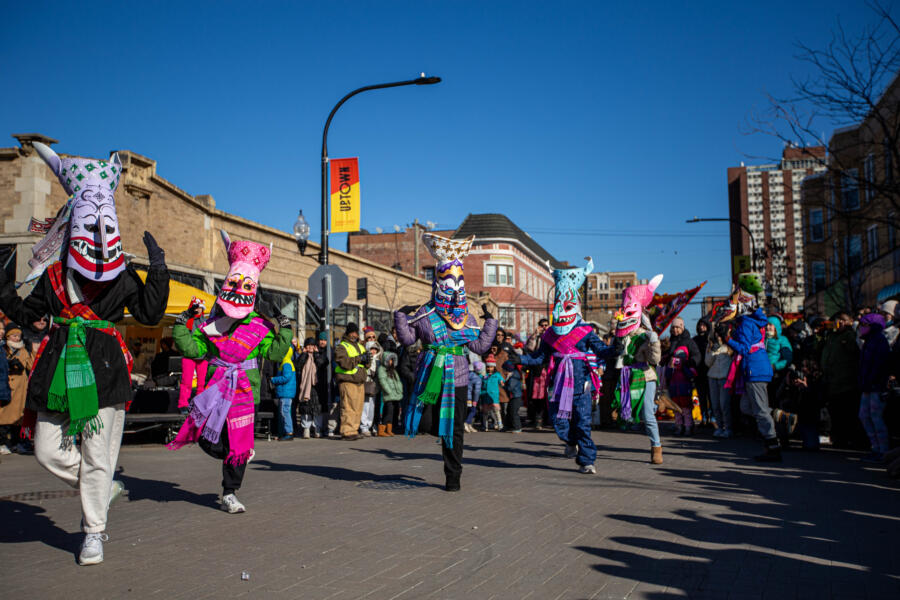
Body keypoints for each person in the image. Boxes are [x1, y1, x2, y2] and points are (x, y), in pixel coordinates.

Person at [0, 141, 170, 565]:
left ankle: (94, 531)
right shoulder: (55, 275)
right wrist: (3, 289)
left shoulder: (123, 276)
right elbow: (29, 315)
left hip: (106, 368)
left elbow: (149, 314)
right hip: (59, 367)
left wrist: (159, 268)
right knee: (47, 449)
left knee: (99, 455)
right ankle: (101, 484)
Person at [167, 231, 291, 514]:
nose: (238, 289)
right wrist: (183, 320)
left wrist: (284, 326)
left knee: (238, 443)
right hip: (215, 389)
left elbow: (272, 354)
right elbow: (192, 348)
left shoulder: (259, 325)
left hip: (246, 392)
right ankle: (237, 455)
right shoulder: (212, 322)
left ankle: (230, 491)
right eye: (234, 283)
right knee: (209, 439)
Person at [394, 232, 497, 491]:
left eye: (458, 283)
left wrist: (490, 323)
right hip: (429, 377)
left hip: (458, 380)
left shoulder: (467, 319)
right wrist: (400, 317)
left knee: (455, 431)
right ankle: (437, 432)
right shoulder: (425, 315)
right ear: (437, 283)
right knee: (428, 424)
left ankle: (453, 477)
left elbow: (480, 346)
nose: (453, 289)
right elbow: (407, 340)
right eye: (448, 283)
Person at [520, 259, 618, 474]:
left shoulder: (586, 331)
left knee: (582, 423)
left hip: (581, 387)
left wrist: (619, 341)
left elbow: (603, 351)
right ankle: (570, 441)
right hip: (557, 387)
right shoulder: (550, 334)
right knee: (559, 423)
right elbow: (538, 358)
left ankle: (587, 460)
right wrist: (519, 359)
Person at [721, 274, 780, 462]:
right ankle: (776, 418)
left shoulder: (747, 323)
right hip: (752, 369)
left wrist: (728, 340)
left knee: (760, 411)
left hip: (755, 369)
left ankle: (773, 447)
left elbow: (745, 349)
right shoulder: (750, 321)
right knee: (746, 406)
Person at [611, 274, 664, 462]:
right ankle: (655, 405)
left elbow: (655, 359)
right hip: (627, 376)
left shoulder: (644, 336)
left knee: (647, 413)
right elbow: (616, 355)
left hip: (645, 375)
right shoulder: (621, 337)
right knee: (629, 412)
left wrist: (654, 341)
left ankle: (656, 446)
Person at [820, 312, 862, 449]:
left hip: (847, 380)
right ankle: (838, 439)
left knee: (847, 412)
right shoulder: (831, 336)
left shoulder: (850, 335)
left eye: (842, 320)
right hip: (832, 380)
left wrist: (850, 330)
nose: (839, 323)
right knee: (835, 412)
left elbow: (855, 351)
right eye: (837, 321)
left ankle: (849, 439)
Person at [857, 313, 891, 462]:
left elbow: (879, 365)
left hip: (876, 386)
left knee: (876, 418)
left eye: (864, 325)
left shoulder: (879, 341)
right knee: (864, 416)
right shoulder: (868, 341)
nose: (860, 328)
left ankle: (883, 451)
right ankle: (875, 447)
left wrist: (871, 381)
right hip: (867, 386)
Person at [0, 327, 34, 454]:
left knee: (19, 418)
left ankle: (17, 442)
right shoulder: (3, 349)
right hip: (9, 386)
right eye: (13, 335)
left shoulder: (24, 350)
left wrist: (32, 351)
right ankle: (3, 442)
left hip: (21, 389)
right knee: (4, 418)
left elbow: (30, 366)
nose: (16, 338)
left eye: (18, 335)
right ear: (7, 337)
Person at [334, 323, 369, 441]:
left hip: (359, 380)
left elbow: (366, 364)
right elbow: (344, 362)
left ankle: (354, 429)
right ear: (348, 333)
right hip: (347, 380)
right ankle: (347, 431)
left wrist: (367, 361)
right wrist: (360, 359)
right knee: (348, 407)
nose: (354, 335)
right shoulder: (342, 346)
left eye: (356, 332)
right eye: (352, 332)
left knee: (358, 408)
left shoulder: (360, 346)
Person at [178, 298, 209, 413]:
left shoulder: (206, 321)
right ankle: (183, 405)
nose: (198, 310)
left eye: (200, 308)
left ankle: (198, 405)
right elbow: (181, 336)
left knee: (201, 383)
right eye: (196, 307)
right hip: (189, 355)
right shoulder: (187, 321)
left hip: (203, 356)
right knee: (186, 381)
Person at [706, 323, 734, 438]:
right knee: (715, 404)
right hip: (712, 377)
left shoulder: (730, 346)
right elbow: (707, 363)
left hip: (725, 378)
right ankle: (719, 427)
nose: (718, 335)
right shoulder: (711, 344)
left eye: (720, 332)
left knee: (724, 404)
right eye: (716, 332)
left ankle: (728, 428)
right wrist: (713, 351)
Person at [296, 337, 324, 438]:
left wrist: (316, 354)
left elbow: (322, 364)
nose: (310, 347)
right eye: (308, 345)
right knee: (306, 409)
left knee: (317, 409)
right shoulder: (302, 356)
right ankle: (306, 429)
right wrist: (303, 354)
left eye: (312, 345)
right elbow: (298, 366)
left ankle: (317, 429)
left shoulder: (319, 355)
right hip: (305, 387)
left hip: (317, 386)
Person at [270, 347, 297, 441]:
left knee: (285, 412)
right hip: (285, 392)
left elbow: (286, 377)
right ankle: (285, 432)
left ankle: (289, 432)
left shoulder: (286, 363)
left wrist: (274, 379)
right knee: (284, 412)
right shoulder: (286, 362)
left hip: (286, 392)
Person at [377, 350, 403, 436]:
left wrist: (399, 391)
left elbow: (398, 381)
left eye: (392, 360)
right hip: (389, 394)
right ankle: (381, 430)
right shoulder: (382, 369)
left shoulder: (393, 370)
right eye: (389, 359)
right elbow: (382, 381)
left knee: (393, 412)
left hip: (396, 394)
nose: (391, 361)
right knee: (388, 412)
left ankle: (389, 429)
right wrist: (389, 391)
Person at [361, 340, 382, 436]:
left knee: (372, 407)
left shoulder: (379, 360)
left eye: (375, 349)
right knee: (365, 406)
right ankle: (363, 426)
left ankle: (369, 425)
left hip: (375, 386)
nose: (373, 351)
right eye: (371, 349)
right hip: (366, 383)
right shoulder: (365, 358)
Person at [692, 319, 711, 425]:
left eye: (704, 325)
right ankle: (704, 417)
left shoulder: (710, 339)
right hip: (699, 372)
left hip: (710, 370)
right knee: (701, 396)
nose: (701, 327)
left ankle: (712, 417)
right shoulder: (694, 340)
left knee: (711, 397)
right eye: (700, 325)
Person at [481, 355, 504, 431]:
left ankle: (500, 424)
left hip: (493, 396)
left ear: (494, 367)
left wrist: (501, 382)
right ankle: (485, 425)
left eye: (491, 367)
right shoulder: (484, 375)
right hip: (484, 395)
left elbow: (501, 380)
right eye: (488, 367)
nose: (489, 368)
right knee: (485, 412)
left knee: (496, 410)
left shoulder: (497, 375)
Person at [503, 359, 523, 432]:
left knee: (514, 412)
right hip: (513, 397)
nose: (503, 372)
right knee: (509, 411)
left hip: (516, 397)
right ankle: (508, 426)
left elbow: (510, 387)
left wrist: (504, 386)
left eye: (504, 370)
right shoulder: (512, 374)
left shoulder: (514, 375)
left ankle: (517, 427)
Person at [465, 360, 484, 433]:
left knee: (467, 410)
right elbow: (476, 391)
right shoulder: (478, 379)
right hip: (470, 398)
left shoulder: (468, 374)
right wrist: (475, 401)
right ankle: (466, 422)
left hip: (464, 395)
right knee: (473, 410)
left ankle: (469, 425)